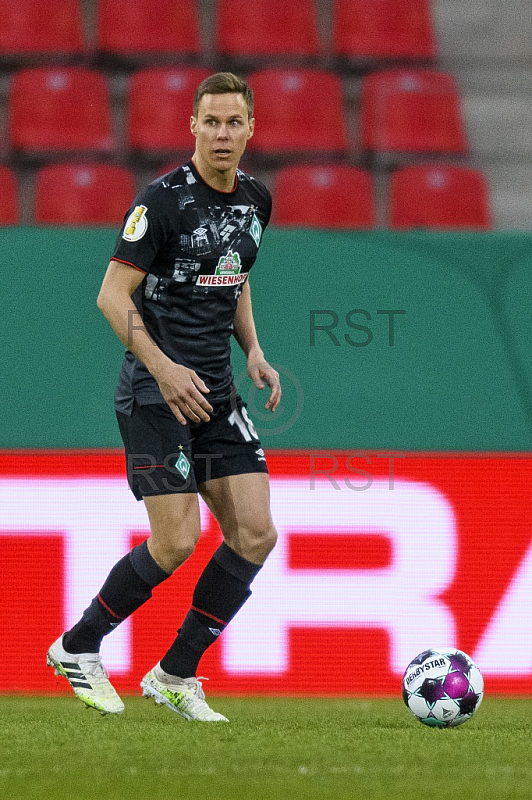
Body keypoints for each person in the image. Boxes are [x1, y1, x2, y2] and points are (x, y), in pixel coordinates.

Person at [47, 72, 280, 722]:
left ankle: (175, 674)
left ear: (252, 129)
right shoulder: (163, 202)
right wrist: (164, 367)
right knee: (177, 541)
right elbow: (110, 296)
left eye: (235, 123)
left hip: (217, 389)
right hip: (156, 390)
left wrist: (253, 349)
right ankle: (78, 644)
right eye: (212, 122)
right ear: (193, 127)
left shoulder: (257, 201)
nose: (223, 134)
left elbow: (234, 277)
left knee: (256, 533)